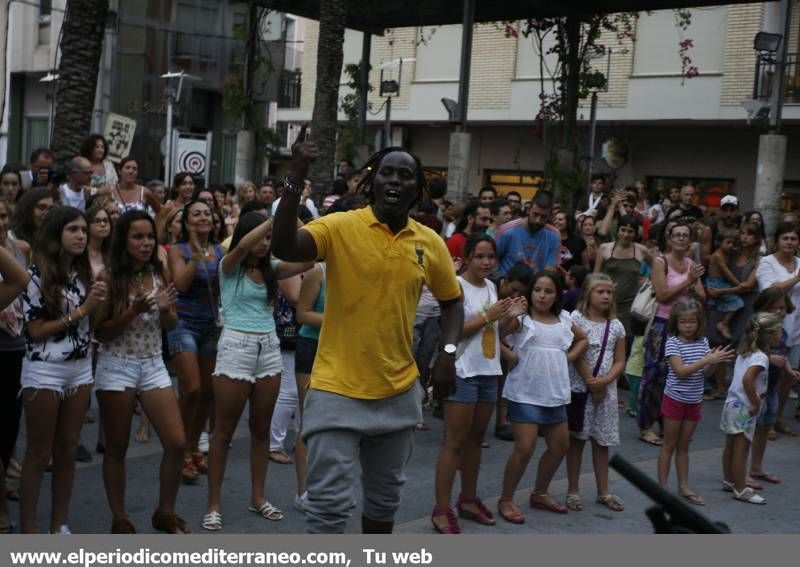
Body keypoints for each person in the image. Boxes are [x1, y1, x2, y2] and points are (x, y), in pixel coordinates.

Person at [271, 130, 463, 534]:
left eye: (405, 176)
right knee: (329, 510)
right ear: (371, 181)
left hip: (397, 392)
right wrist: (295, 176)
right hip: (336, 388)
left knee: (384, 504)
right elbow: (286, 246)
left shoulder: (430, 242)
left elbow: (452, 300)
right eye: (386, 173)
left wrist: (447, 352)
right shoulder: (340, 226)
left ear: (419, 190)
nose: (395, 181)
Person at [200, 213, 310, 531]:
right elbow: (242, 245)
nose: (264, 245)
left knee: (261, 431)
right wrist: (274, 218)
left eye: (268, 240)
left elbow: (310, 257)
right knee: (222, 432)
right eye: (260, 239)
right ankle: (214, 505)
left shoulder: (273, 270)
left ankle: (258, 498)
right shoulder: (229, 267)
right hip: (236, 348)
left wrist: (300, 221)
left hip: (269, 350)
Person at [93, 211, 189, 534]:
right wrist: (134, 309)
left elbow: (171, 324)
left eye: (149, 236)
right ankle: (120, 517)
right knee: (117, 447)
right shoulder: (108, 278)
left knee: (177, 443)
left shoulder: (158, 273)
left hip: (152, 363)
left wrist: (164, 311)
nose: (146, 243)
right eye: (138, 237)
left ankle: (165, 512)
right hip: (116, 363)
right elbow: (102, 332)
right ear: (124, 240)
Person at [18, 206, 107, 533]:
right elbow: (36, 331)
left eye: (84, 229)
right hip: (44, 370)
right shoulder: (36, 275)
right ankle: (28, 532)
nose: (82, 235)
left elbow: (92, 322)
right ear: (57, 234)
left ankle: (59, 526)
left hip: (80, 369)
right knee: (40, 454)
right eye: (73, 229)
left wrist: (100, 304)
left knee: (68, 450)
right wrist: (84, 309)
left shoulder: (85, 274)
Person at [431, 234, 525, 534]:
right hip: (461, 370)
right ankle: (441, 508)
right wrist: (489, 316)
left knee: (476, 439)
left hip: (488, 369)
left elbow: (500, 332)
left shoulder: (492, 286)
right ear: (468, 257)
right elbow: (452, 331)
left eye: (491, 257)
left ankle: (468, 500)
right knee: (454, 442)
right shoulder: (456, 285)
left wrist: (513, 317)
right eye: (480, 256)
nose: (486, 263)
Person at [497, 271, 588, 523]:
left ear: (557, 295)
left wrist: (568, 357)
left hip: (555, 392)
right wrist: (509, 324)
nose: (542, 295)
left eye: (548, 291)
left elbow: (582, 339)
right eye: (537, 289)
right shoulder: (523, 319)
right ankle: (506, 498)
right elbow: (498, 334)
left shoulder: (564, 319)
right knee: (524, 447)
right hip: (524, 391)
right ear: (530, 291)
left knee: (560, 446)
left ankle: (540, 492)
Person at [167, 198, 222, 484]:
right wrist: (196, 257)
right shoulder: (178, 250)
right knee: (191, 388)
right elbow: (181, 284)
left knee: (207, 393)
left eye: (207, 214)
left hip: (211, 326)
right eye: (196, 214)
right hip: (183, 324)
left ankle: (191, 446)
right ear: (187, 223)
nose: (203, 218)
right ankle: (178, 449)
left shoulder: (221, 250)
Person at [658, 299, 734, 507]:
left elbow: (705, 372)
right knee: (669, 445)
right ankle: (661, 490)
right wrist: (706, 361)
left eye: (692, 321)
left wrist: (713, 363)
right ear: (676, 322)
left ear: (699, 322)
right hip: (675, 398)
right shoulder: (673, 342)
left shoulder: (702, 342)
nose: (688, 326)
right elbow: (680, 372)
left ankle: (683, 487)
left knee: (684, 446)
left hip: (694, 399)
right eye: (683, 322)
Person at [638, 222, 705, 446]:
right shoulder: (661, 262)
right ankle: (645, 425)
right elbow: (662, 295)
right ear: (669, 239)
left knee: (673, 377)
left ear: (690, 240)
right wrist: (688, 282)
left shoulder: (692, 265)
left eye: (685, 235)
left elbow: (703, 298)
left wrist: (694, 285)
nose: (681, 238)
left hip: (685, 328)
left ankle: (667, 425)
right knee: (654, 376)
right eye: (677, 235)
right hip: (662, 325)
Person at [565, 273, 626, 513]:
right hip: (581, 389)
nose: (605, 296)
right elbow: (574, 351)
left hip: (606, 392)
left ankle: (603, 491)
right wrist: (592, 381)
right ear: (588, 294)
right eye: (600, 291)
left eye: (609, 292)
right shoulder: (576, 319)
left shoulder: (616, 325)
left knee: (602, 443)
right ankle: (573, 490)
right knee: (577, 441)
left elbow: (620, 360)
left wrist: (606, 381)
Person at [721, 312, 783, 505]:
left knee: (730, 445)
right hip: (744, 407)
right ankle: (741, 489)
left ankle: (730, 480)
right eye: (779, 331)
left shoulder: (746, 351)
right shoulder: (761, 357)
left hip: (732, 404)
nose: (781, 335)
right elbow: (748, 379)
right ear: (770, 335)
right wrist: (755, 403)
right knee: (742, 448)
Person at [748, 289, 799, 487]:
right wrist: (770, 359)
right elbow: (744, 352)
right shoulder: (755, 326)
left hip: (771, 387)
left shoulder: (781, 328)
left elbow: (782, 354)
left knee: (765, 427)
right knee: (748, 431)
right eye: (774, 308)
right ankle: (740, 471)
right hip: (754, 387)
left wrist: (787, 369)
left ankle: (757, 466)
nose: (779, 311)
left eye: (782, 307)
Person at [0, 199, 30, 534]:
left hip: (14, 346)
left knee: (9, 428)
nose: (0, 221)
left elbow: (25, 285)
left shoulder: (18, 247)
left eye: (4, 215)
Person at [755, 222, 800, 437]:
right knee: (768, 375)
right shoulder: (766, 262)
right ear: (778, 241)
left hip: (797, 328)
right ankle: (765, 420)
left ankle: (779, 417)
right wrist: (797, 278)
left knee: (788, 378)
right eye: (786, 238)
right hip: (771, 328)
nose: (790, 242)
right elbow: (770, 291)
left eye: (793, 238)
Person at [493, 263, 535, 442]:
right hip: (481, 340)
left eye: (521, 293)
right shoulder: (490, 288)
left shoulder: (520, 300)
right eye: (514, 289)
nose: (516, 295)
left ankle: (501, 422)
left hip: (503, 338)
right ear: (506, 280)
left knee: (503, 379)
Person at [595, 215, 650, 335]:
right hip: (606, 302)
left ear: (635, 234)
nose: (626, 234)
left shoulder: (642, 250)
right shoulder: (604, 248)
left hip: (630, 305)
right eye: (623, 230)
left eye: (630, 231)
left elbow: (658, 267)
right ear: (617, 230)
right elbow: (595, 277)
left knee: (624, 339)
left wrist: (648, 281)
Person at [496, 190, 559, 276]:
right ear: (528, 210)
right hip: (507, 284)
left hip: (535, 286)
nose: (538, 220)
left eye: (543, 217)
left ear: (550, 216)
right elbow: (493, 260)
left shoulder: (553, 235)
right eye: (535, 214)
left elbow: (550, 269)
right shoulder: (507, 231)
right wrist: (500, 282)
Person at [707, 229, 746, 340]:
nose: (731, 245)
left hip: (722, 282)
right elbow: (726, 272)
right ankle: (723, 323)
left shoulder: (726, 253)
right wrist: (738, 285)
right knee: (738, 302)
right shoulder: (718, 256)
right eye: (728, 242)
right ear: (720, 242)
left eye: (733, 243)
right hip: (716, 284)